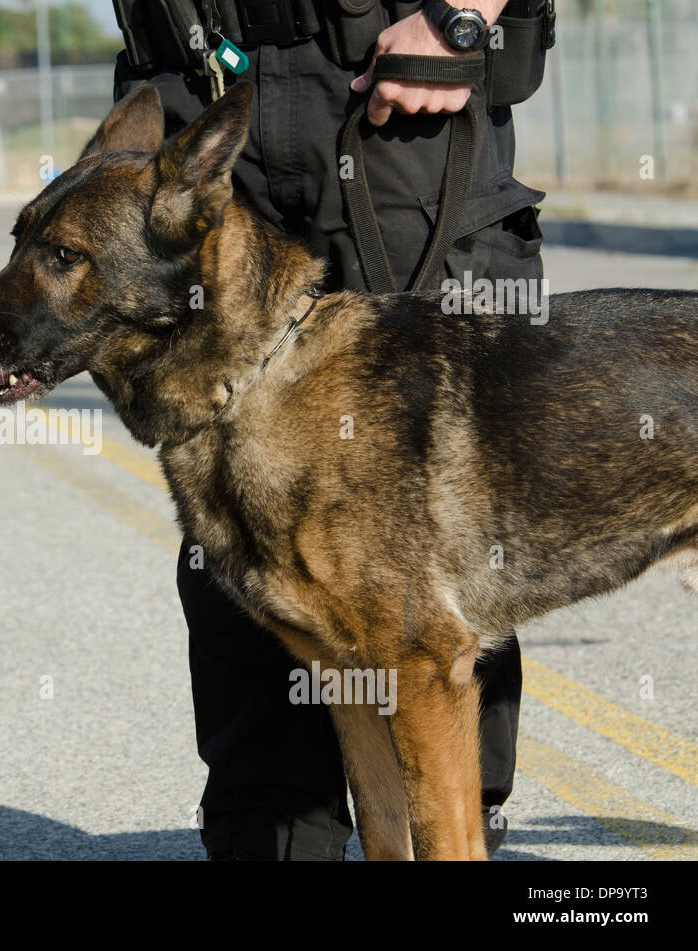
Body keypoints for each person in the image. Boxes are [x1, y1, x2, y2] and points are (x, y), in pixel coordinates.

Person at [109, 0, 553, 859]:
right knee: (232, 503)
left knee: (437, 538)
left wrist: (460, 18)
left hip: (386, 91)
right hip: (191, 90)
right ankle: (282, 842)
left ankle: (450, 841)